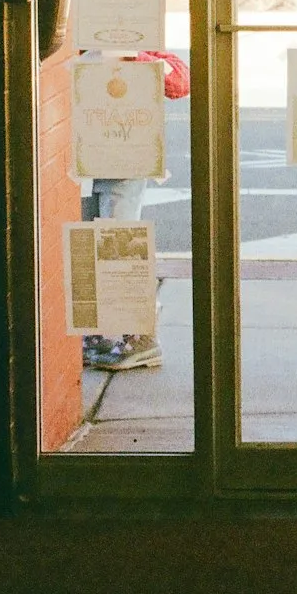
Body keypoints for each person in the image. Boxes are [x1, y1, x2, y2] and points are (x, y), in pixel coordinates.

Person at [82, 49, 190, 372]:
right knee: (90, 252)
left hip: (126, 160)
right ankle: (101, 333)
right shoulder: (80, 46)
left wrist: (132, 59)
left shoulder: (134, 44)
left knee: (121, 247)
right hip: (89, 160)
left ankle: (142, 337)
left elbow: (180, 81)